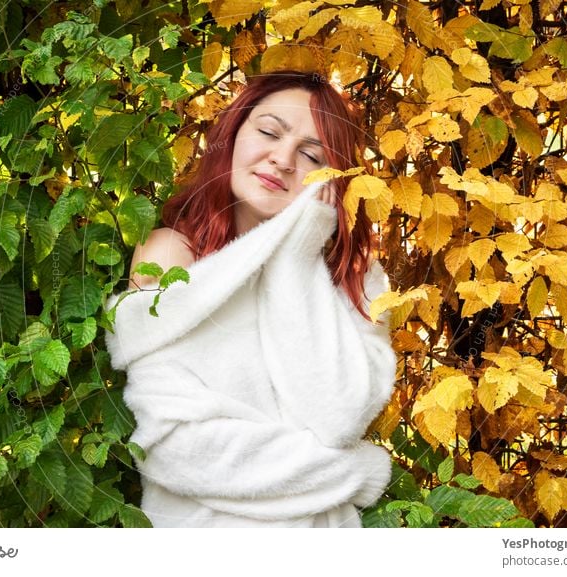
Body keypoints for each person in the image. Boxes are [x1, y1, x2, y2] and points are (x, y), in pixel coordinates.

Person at [106, 71, 396, 527]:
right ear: (233, 132)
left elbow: (337, 416)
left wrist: (297, 252)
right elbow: (173, 447)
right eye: (268, 131)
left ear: (331, 177)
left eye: (310, 154)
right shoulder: (170, 256)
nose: (282, 159)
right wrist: (355, 472)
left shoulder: (356, 282)